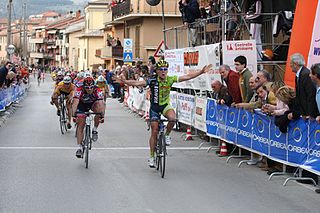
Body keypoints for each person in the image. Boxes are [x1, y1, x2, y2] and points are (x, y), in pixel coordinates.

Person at [115, 59, 212, 167]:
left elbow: (187, 77)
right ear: (156, 71)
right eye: (161, 69)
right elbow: (137, 83)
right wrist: (125, 81)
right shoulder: (152, 80)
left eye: (165, 69)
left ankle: (167, 135)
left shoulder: (170, 79)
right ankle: (151, 156)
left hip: (165, 106)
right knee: (154, 131)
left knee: (172, 119)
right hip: (154, 108)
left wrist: (201, 72)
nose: (163, 71)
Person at [72, 76, 105, 158]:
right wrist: (74, 115)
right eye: (87, 88)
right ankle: (79, 148)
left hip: (93, 104)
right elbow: (75, 102)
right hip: (82, 104)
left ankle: (95, 130)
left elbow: (101, 103)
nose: (89, 89)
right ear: (84, 86)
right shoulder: (79, 89)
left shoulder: (97, 90)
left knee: (98, 110)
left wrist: (102, 116)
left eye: (91, 88)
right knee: (81, 125)